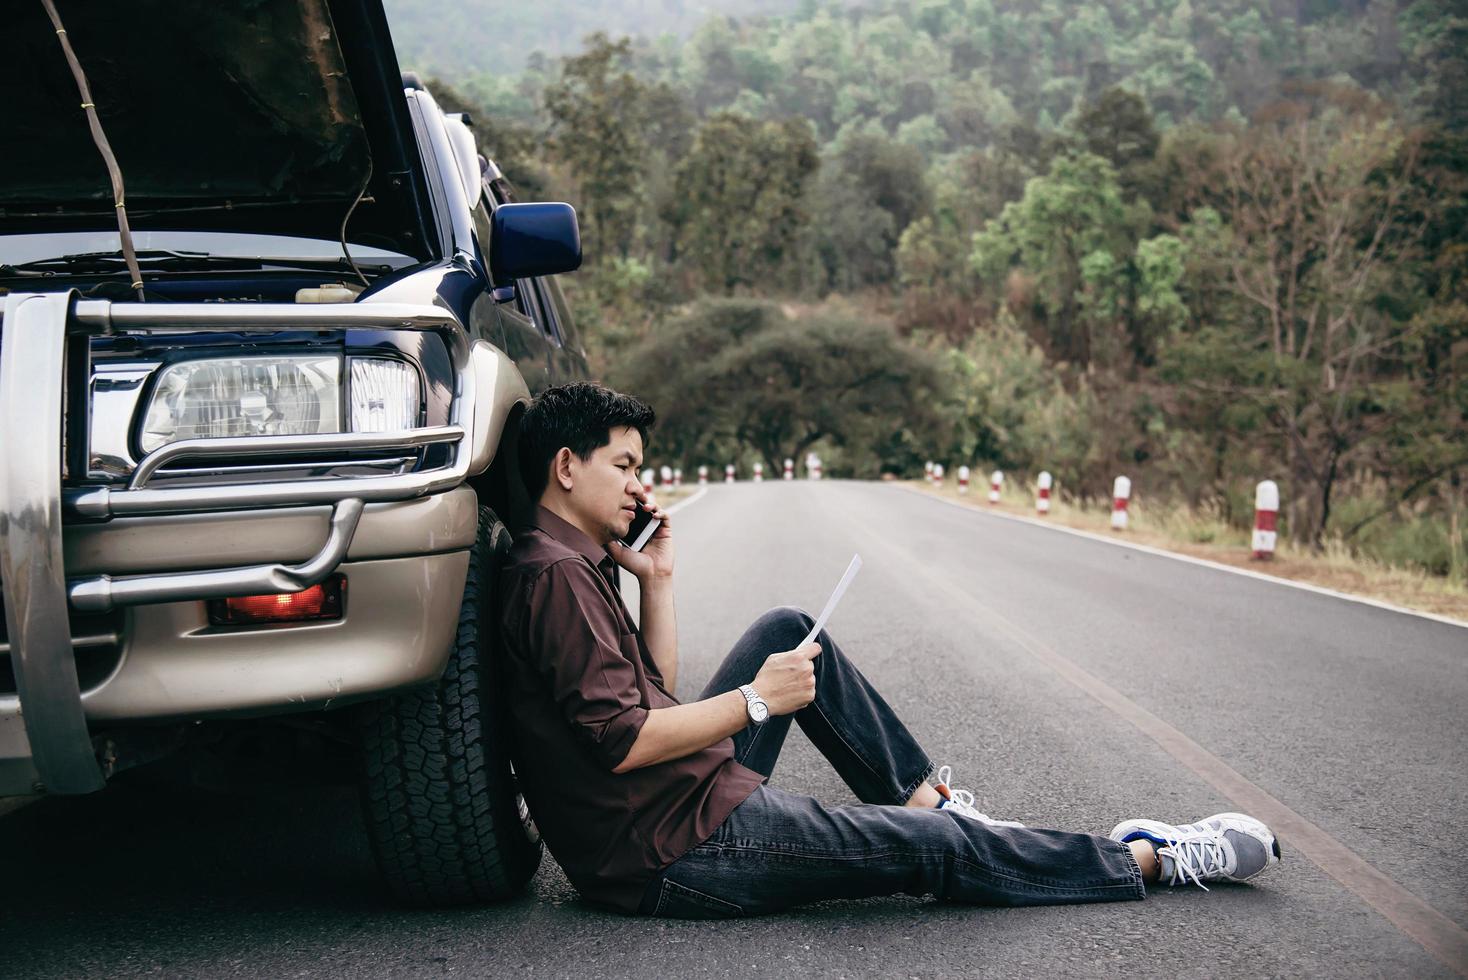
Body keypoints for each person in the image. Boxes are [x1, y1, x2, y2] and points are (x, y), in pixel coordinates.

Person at [497, 382, 1282, 918]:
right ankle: (1145, 858)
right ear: (567, 467)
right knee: (934, 853)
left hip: (672, 806)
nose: (641, 487)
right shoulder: (557, 576)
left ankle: (930, 803)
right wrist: (756, 702)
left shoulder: (571, 561)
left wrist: (657, 582)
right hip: (673, 851)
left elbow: (652, 698)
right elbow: (624, 741)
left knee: (787, 630)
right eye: (625, 466)